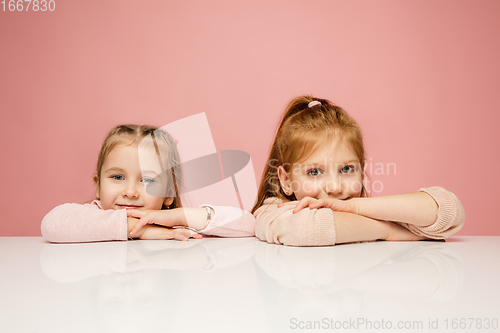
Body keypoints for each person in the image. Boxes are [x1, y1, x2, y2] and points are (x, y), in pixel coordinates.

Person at [252, 96, 464, 247]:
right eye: (315, 172)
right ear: (286, 180)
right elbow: (305, 229)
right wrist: (389, 232)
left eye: (346, 169)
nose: (335, 187)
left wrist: (354, 206)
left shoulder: (362, 210)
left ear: (361, 171)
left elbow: (449, 210)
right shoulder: (273, 211)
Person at [42, 124, 255, 243]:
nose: (130, 191)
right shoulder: (92, 217)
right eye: (117, 177)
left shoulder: (172, 224)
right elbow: (52, 224)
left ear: (169, 192)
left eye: (147, 180)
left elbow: (248, 224)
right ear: (98, 185)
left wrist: (179, 216)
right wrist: (139, 229)